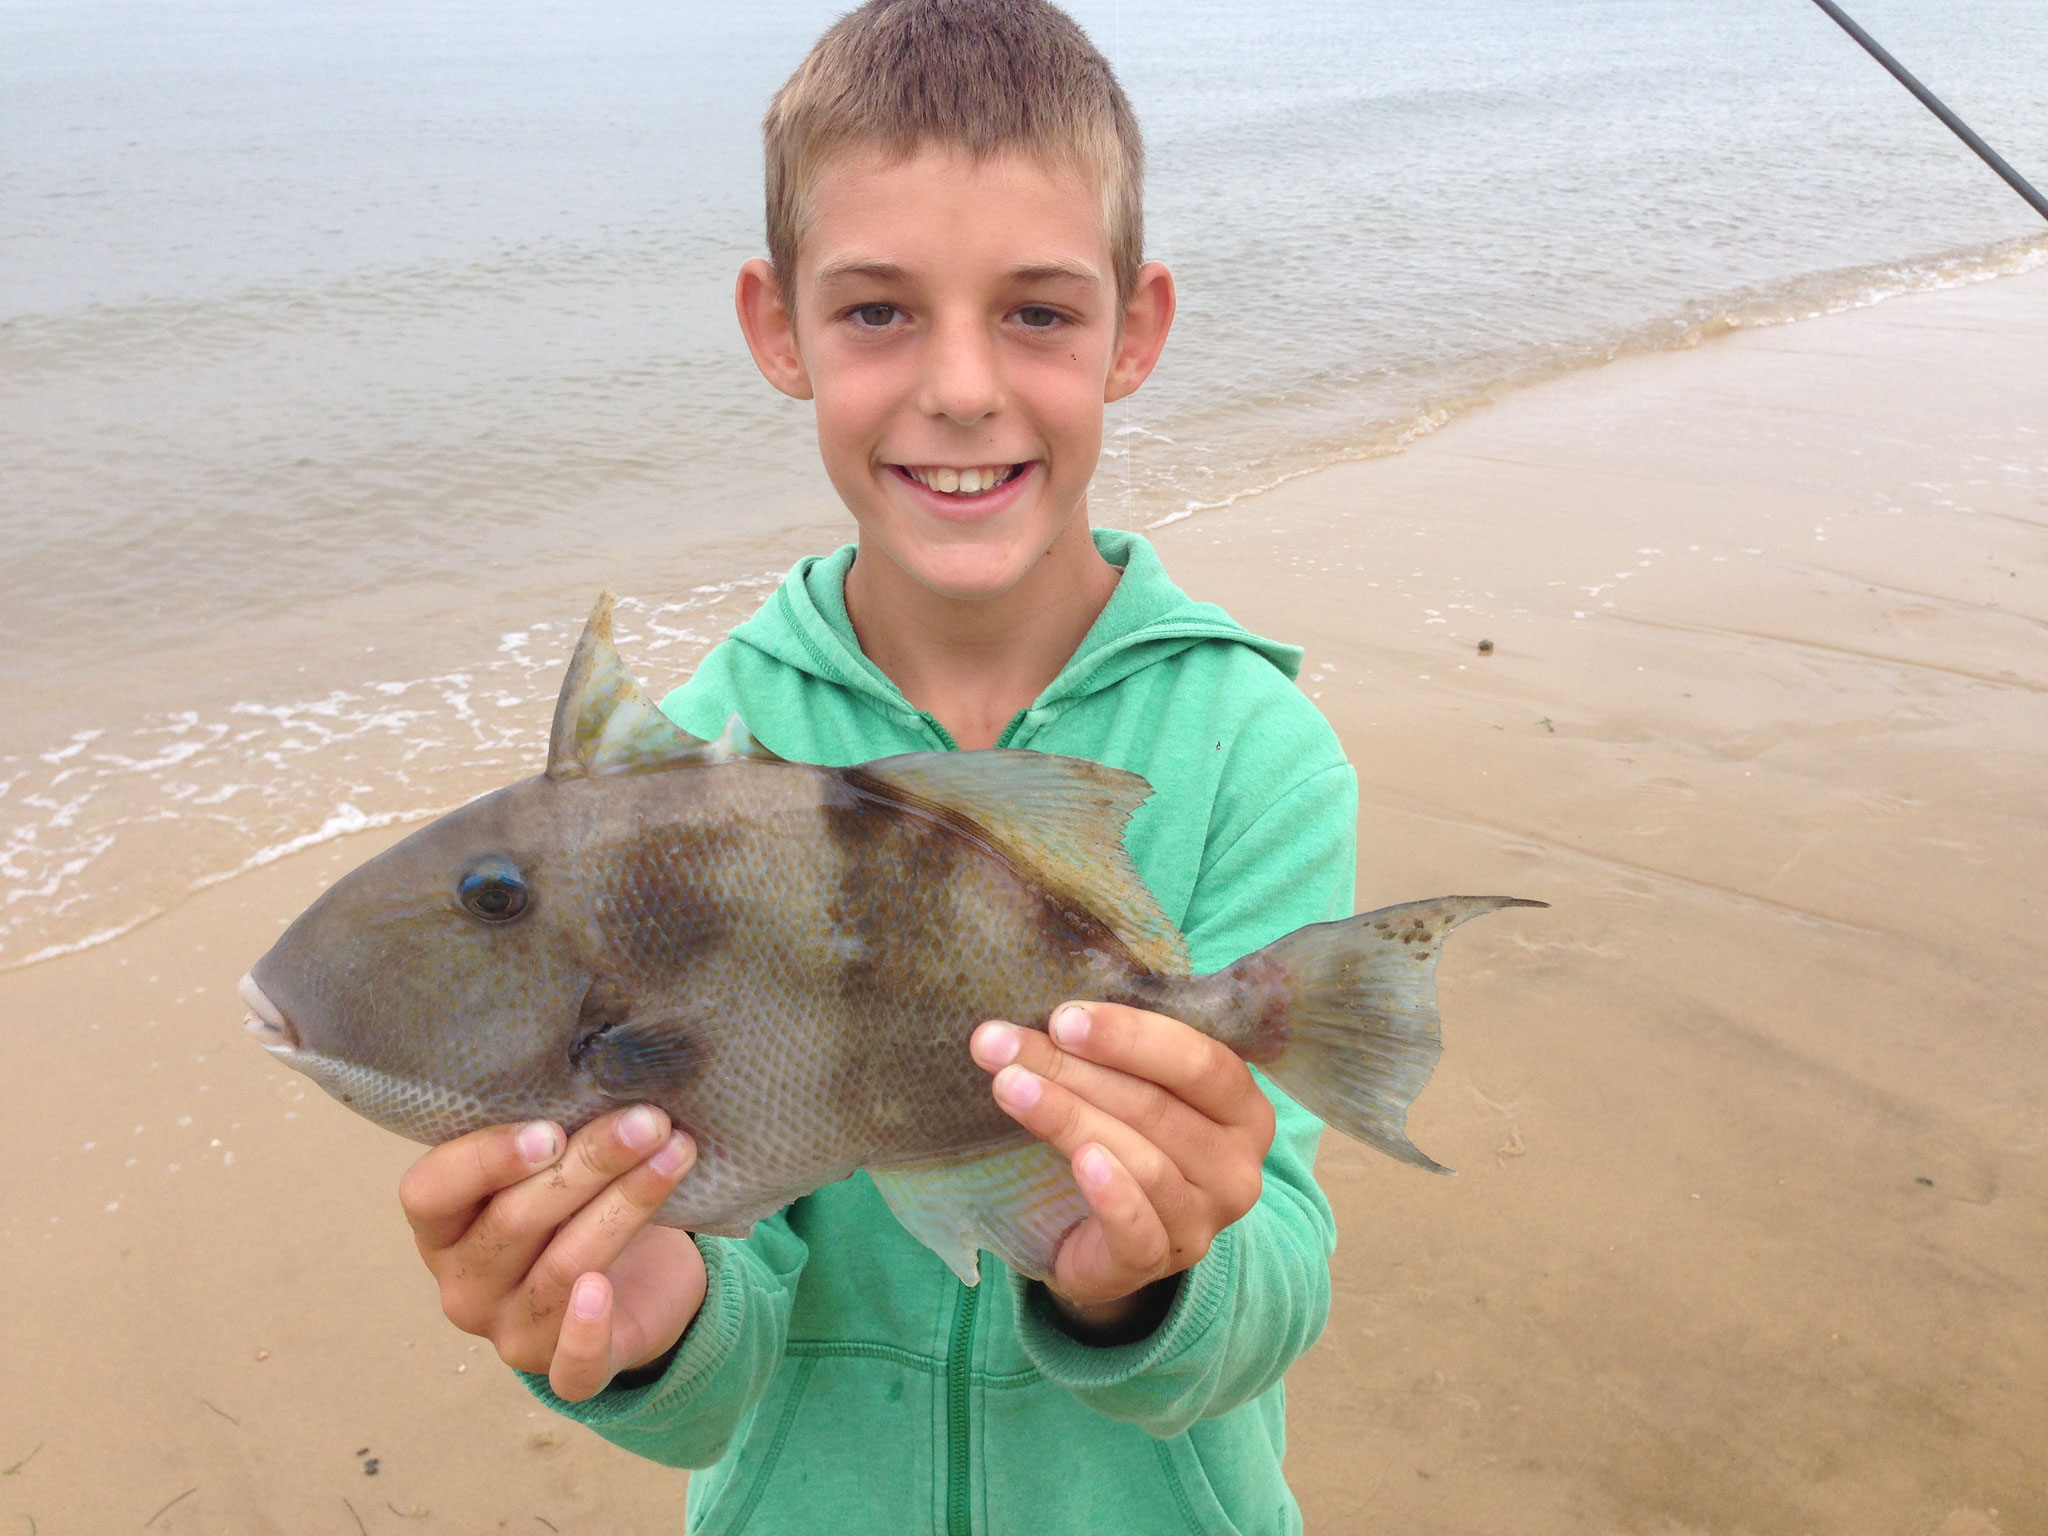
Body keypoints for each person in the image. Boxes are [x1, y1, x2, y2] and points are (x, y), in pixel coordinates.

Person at [396, 2, 1358, 1529]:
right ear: (777, 327)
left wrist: (1140, 1282)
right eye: (877, 312)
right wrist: (645, 1316)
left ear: (1138, 329)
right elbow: (724, 1327)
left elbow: (1269, 1298)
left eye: (1038, 311)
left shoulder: (1249, 751)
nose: (962, 387)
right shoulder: (699, 766)